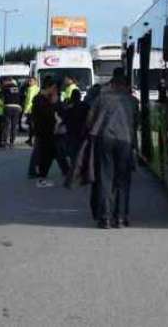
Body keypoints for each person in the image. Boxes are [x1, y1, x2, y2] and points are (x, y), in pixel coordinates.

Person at [87, 68, 138, 229]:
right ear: (125, 85)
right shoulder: (132, 101)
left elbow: (89, 120)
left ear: (112, 84)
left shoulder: (102, 99)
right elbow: (137, 122)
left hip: (105, 139)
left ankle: (106, 218)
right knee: (122, 180)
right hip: (125, 141)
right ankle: (121, 218)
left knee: (105, 178)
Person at [31, 77, 69, 187]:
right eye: (54, 88)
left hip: (49, 132)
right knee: (45, 156)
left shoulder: (43, 99)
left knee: (51, 154)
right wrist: (53, 108)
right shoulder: (40, 99)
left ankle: (44, 177)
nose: (55, 91)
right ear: (51, 87)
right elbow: (48, 114)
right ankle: (41, 178)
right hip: (44, 132)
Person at [62, 89, 88, 187]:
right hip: (82, 132)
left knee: (73, 155)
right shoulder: (85, 105)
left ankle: (73, 175)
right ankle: (81, 173)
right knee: (82, 153)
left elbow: (65, 118)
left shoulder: (69, 107)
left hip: (71, 133)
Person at [1, 77, 23, 148]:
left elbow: (0, 96)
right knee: (14, 125)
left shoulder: (5, 87)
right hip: (17, 107)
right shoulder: (17, 88)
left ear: (6, 81)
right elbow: (21, 97)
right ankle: (12, 142)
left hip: (8, 106)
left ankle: (4, 141)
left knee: (6, 125)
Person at [23, 77, 39, 146]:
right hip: (36, 109)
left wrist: (25, 110)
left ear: (35, 82)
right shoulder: (38, 88)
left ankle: (31, 140)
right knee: (33, 125)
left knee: (31, 125)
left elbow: (29, 100)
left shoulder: (30, 89)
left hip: (30, 110)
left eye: (31, 81)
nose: (29, 83)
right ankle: (30, 139)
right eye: (29, 81)